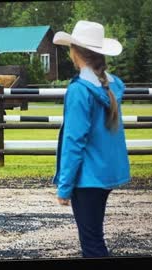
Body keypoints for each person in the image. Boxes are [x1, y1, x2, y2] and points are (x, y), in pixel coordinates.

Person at [52, 20, 131, 258]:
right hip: (105, 174)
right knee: (94, 238)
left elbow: (74, 141)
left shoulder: (79, 90)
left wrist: (64, 187)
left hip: (87, 179)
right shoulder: (112, 85)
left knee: (92, 244)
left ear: (75, 52)